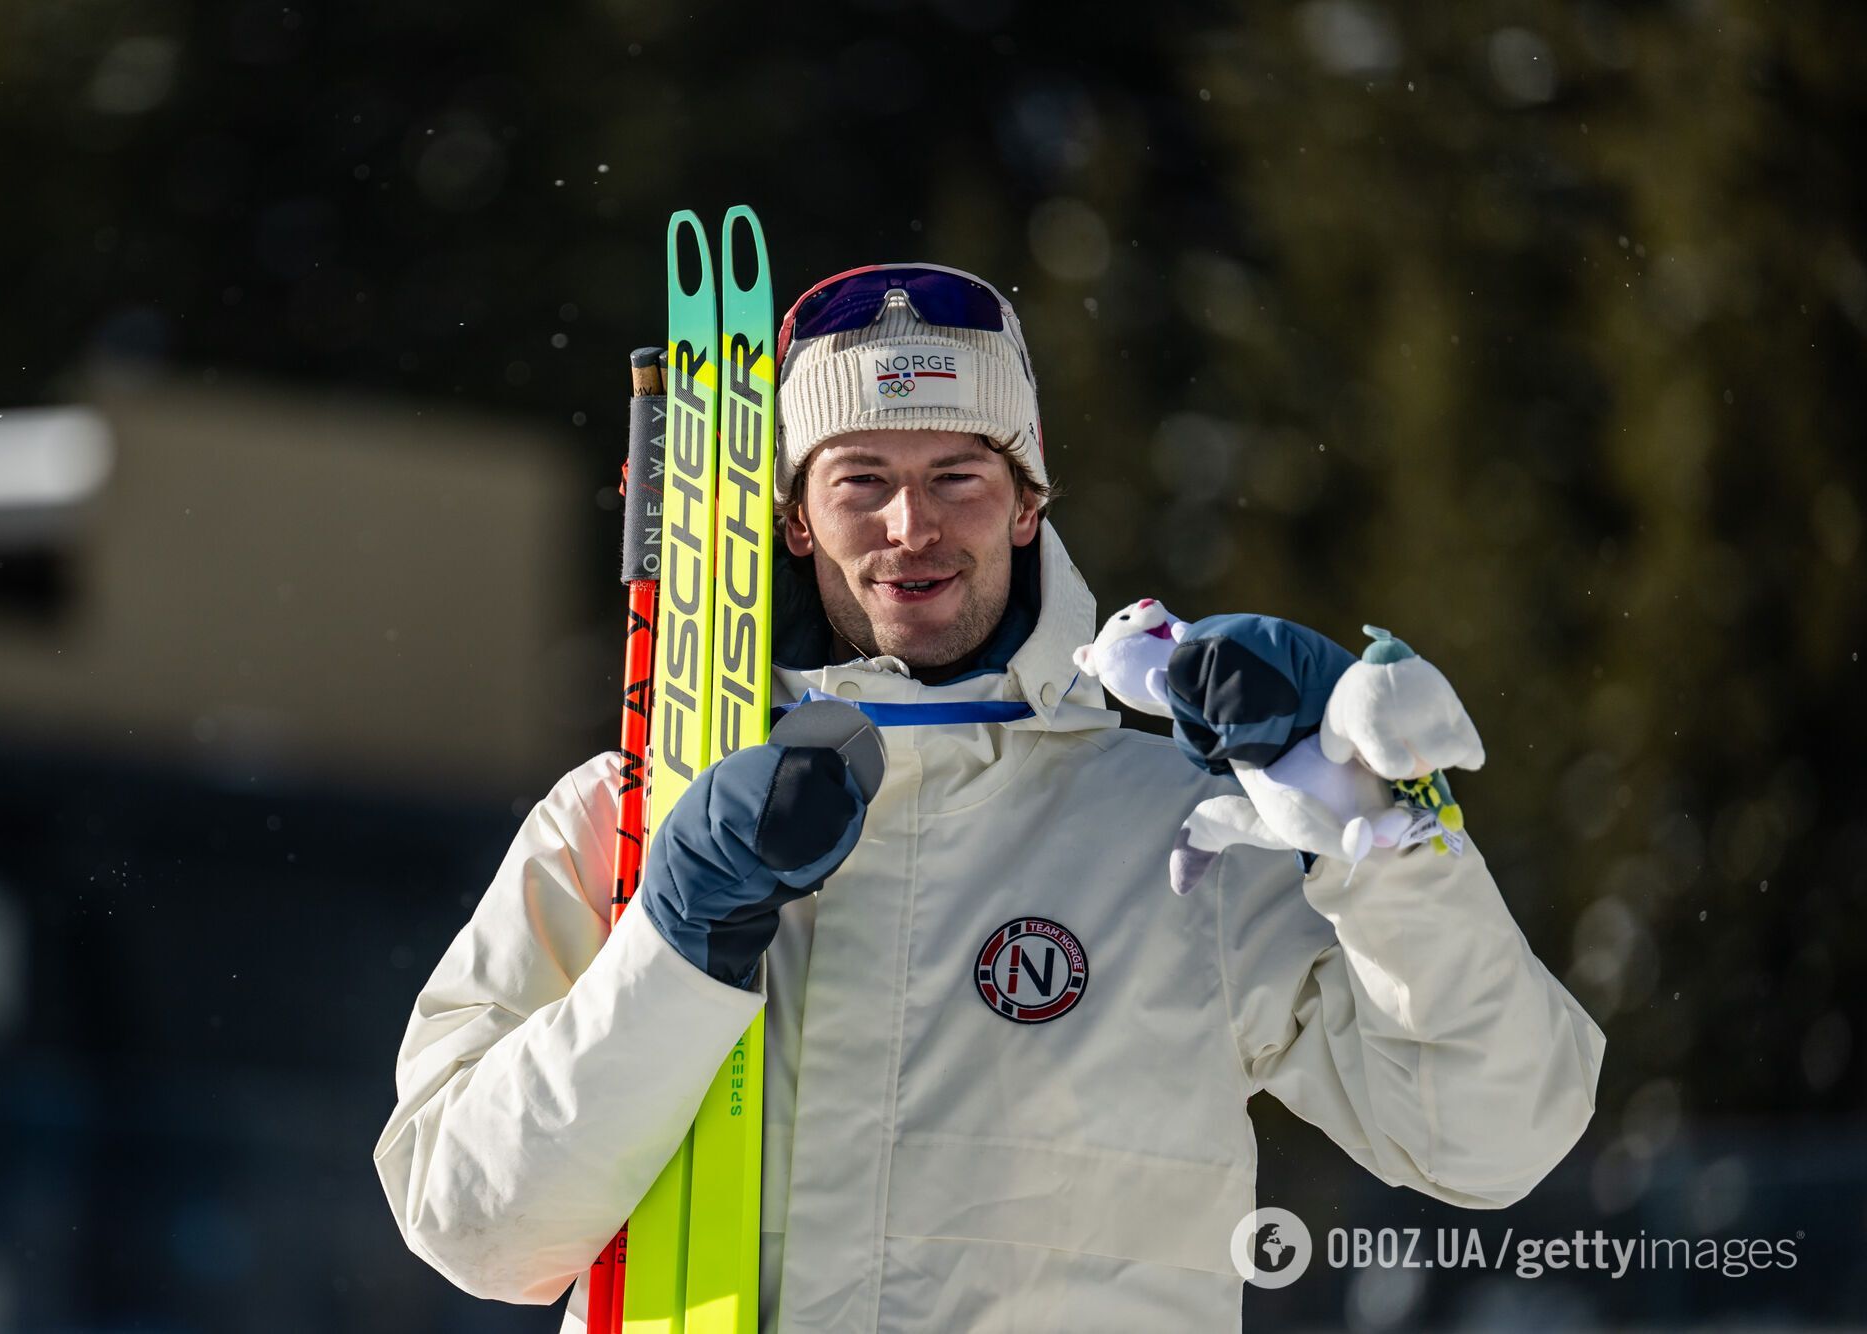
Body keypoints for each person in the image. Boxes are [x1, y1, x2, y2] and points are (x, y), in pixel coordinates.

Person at [372, 263, 1606, 1332]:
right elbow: (475, 1225)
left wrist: (1374, 826)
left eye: (958, 473)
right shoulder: (628, 818)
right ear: (796, 519)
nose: (913, 524)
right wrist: (675, 938)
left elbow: (1490, 1135)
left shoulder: (1181, 829)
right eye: (860, 478)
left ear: (1028, 502)